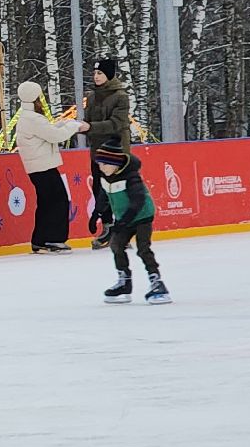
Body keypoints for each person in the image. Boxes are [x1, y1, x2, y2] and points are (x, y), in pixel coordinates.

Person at [13, 80, 88, 253]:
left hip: (38, 166)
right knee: (58, 200)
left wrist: (63, 124)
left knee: (47, 202)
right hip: (42, 166)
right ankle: (54, 238)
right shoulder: (33, 119)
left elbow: (47, 132)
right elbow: (55, 136)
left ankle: (40, 239)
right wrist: (73, 125)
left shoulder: (28, 118)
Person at [93, 141, 169, 305]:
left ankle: (157, 283)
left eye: (104, 163)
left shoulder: (131, 177)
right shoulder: (106, 177)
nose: (101, 167)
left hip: (142, 216)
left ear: (115, 163)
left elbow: (138, 201)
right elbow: (103, 196)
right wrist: (96, 214)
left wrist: (123, 222)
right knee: (116, 246)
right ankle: (124, 283)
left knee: (143, 249)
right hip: (124, 218)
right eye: (99, 163)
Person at [81, 58, 132, 250]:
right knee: (99, 191)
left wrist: (90, 127)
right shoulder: (92, 96)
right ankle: (107, 226)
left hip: (116, 152)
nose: (96, 77)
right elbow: (88, 121)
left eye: (100, 73)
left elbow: (116, 124)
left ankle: (120, 232)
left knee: (115, 191)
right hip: (97, 152)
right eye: (95, 73)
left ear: (109, 75)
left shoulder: (120, 96)